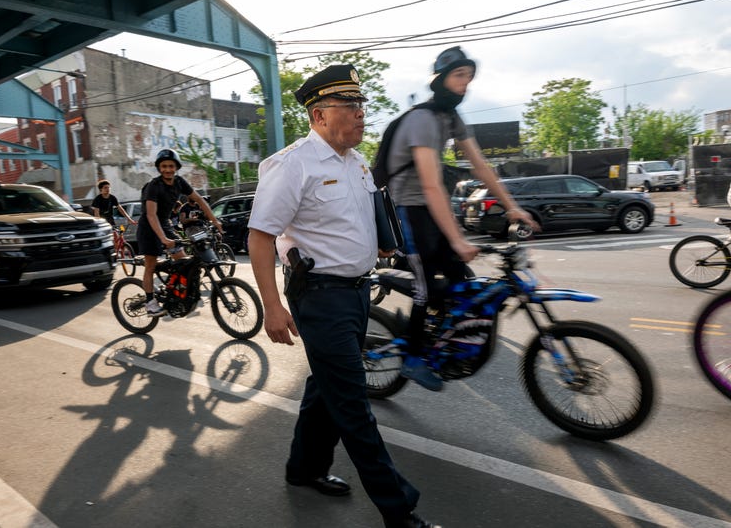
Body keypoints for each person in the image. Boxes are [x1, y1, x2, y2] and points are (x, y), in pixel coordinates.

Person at [248, 64, 440, 528]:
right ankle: (400, 511)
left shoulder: (355, 164)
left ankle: (304, 469)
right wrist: (272, 306)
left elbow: (360, 219)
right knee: (353, 406)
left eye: (361, 106)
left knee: (327, 389)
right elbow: (259, 236)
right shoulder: (292, 165)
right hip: (320, 298)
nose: (360, 115)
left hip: (357, 294)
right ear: (318, 114)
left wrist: (378, 243)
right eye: (350, 107)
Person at [385, 46, 537, 391]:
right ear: (439, 79)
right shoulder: (422, 119)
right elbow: (429, 183)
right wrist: (456, 238)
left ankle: (442, 337)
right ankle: (411, 359)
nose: (465, 84)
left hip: (432, 207)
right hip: (408, 208)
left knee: (460, 277)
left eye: (469, 77)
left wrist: (511, 206)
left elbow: (481, 165)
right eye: (458, 76)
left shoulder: (450, 118)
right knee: (425, 287)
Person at [136, 149, 222, 316]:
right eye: (164, 166)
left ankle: (173, 292)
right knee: (150, 265)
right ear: (159, 168)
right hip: (148, 228)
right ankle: (150, 303)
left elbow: (199, 200)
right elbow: (151, 215)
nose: (168, 169)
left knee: (183, 261)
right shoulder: (154, 186)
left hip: (165, 225)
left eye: (171, 166)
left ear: (176, 167)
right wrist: (163, 238)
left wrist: (215, 221)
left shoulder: (179, 182)